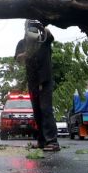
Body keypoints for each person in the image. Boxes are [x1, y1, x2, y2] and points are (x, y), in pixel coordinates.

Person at [15, 20, 59, 152]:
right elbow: (18, 59)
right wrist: (26, 54)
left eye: (33, 26)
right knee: (37, 112)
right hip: (33, 81)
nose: (31, 29)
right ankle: (41, 141)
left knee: (46, 109)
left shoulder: (44, 39)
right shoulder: (22, 43)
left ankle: (52, 141)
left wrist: (42, 26)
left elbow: (51, 36)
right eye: (29, 26)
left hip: (45, 80)